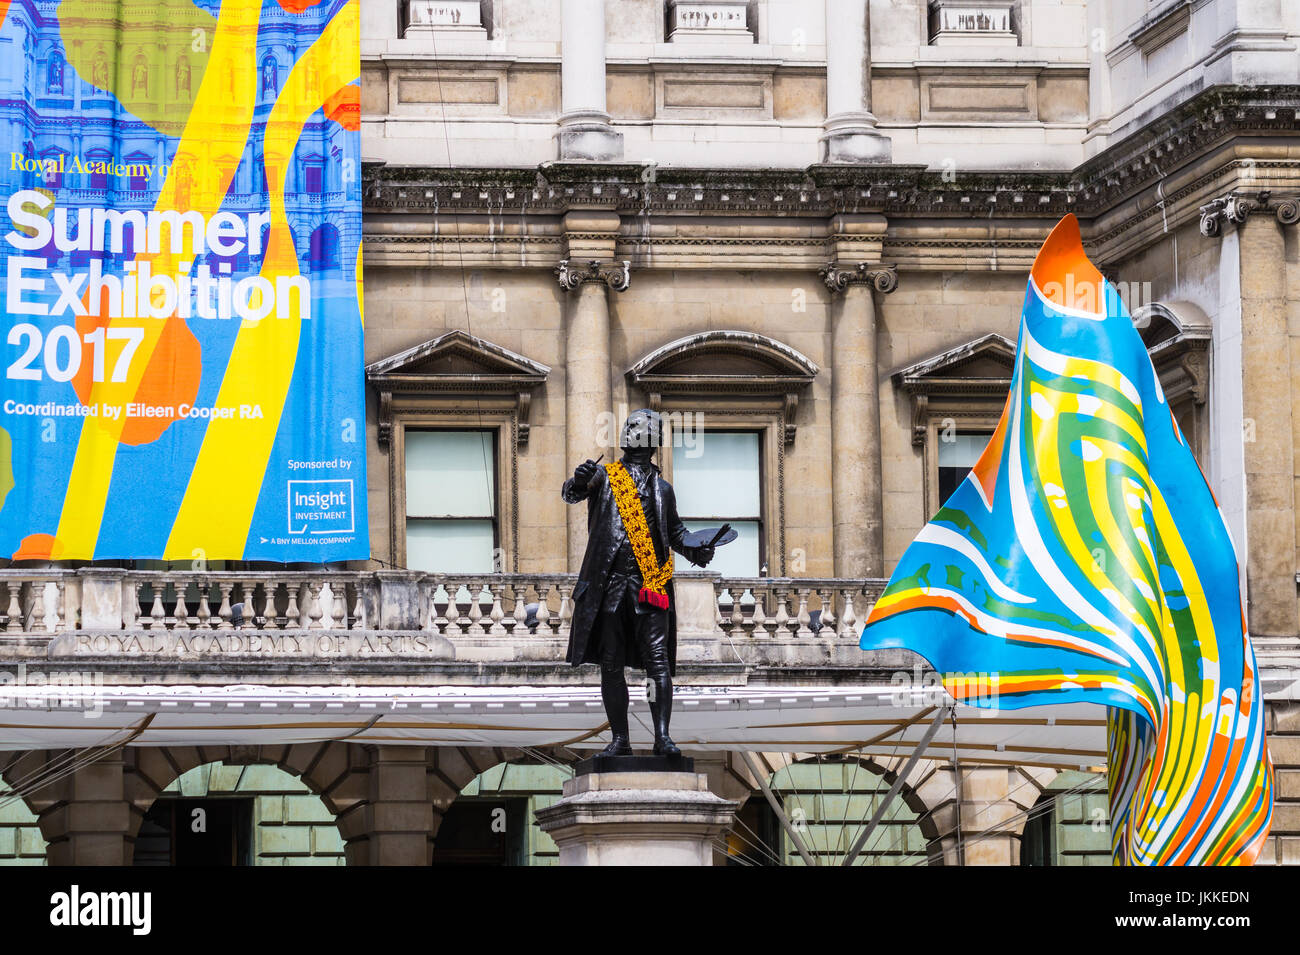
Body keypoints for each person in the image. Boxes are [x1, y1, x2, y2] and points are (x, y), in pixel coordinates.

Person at [562, 409, 715, 757]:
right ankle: (621, 740)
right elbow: (573, 491)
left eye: (639, 427)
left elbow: (675, 533)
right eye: (629, 426)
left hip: (650, 588)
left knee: (658, 663)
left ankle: (663, 738)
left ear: (653, 438)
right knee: (611, 663)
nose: (630, 431)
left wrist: (698, 550)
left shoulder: (664, 490)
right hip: (610, 587)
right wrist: (579, 478)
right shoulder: (605, 477)